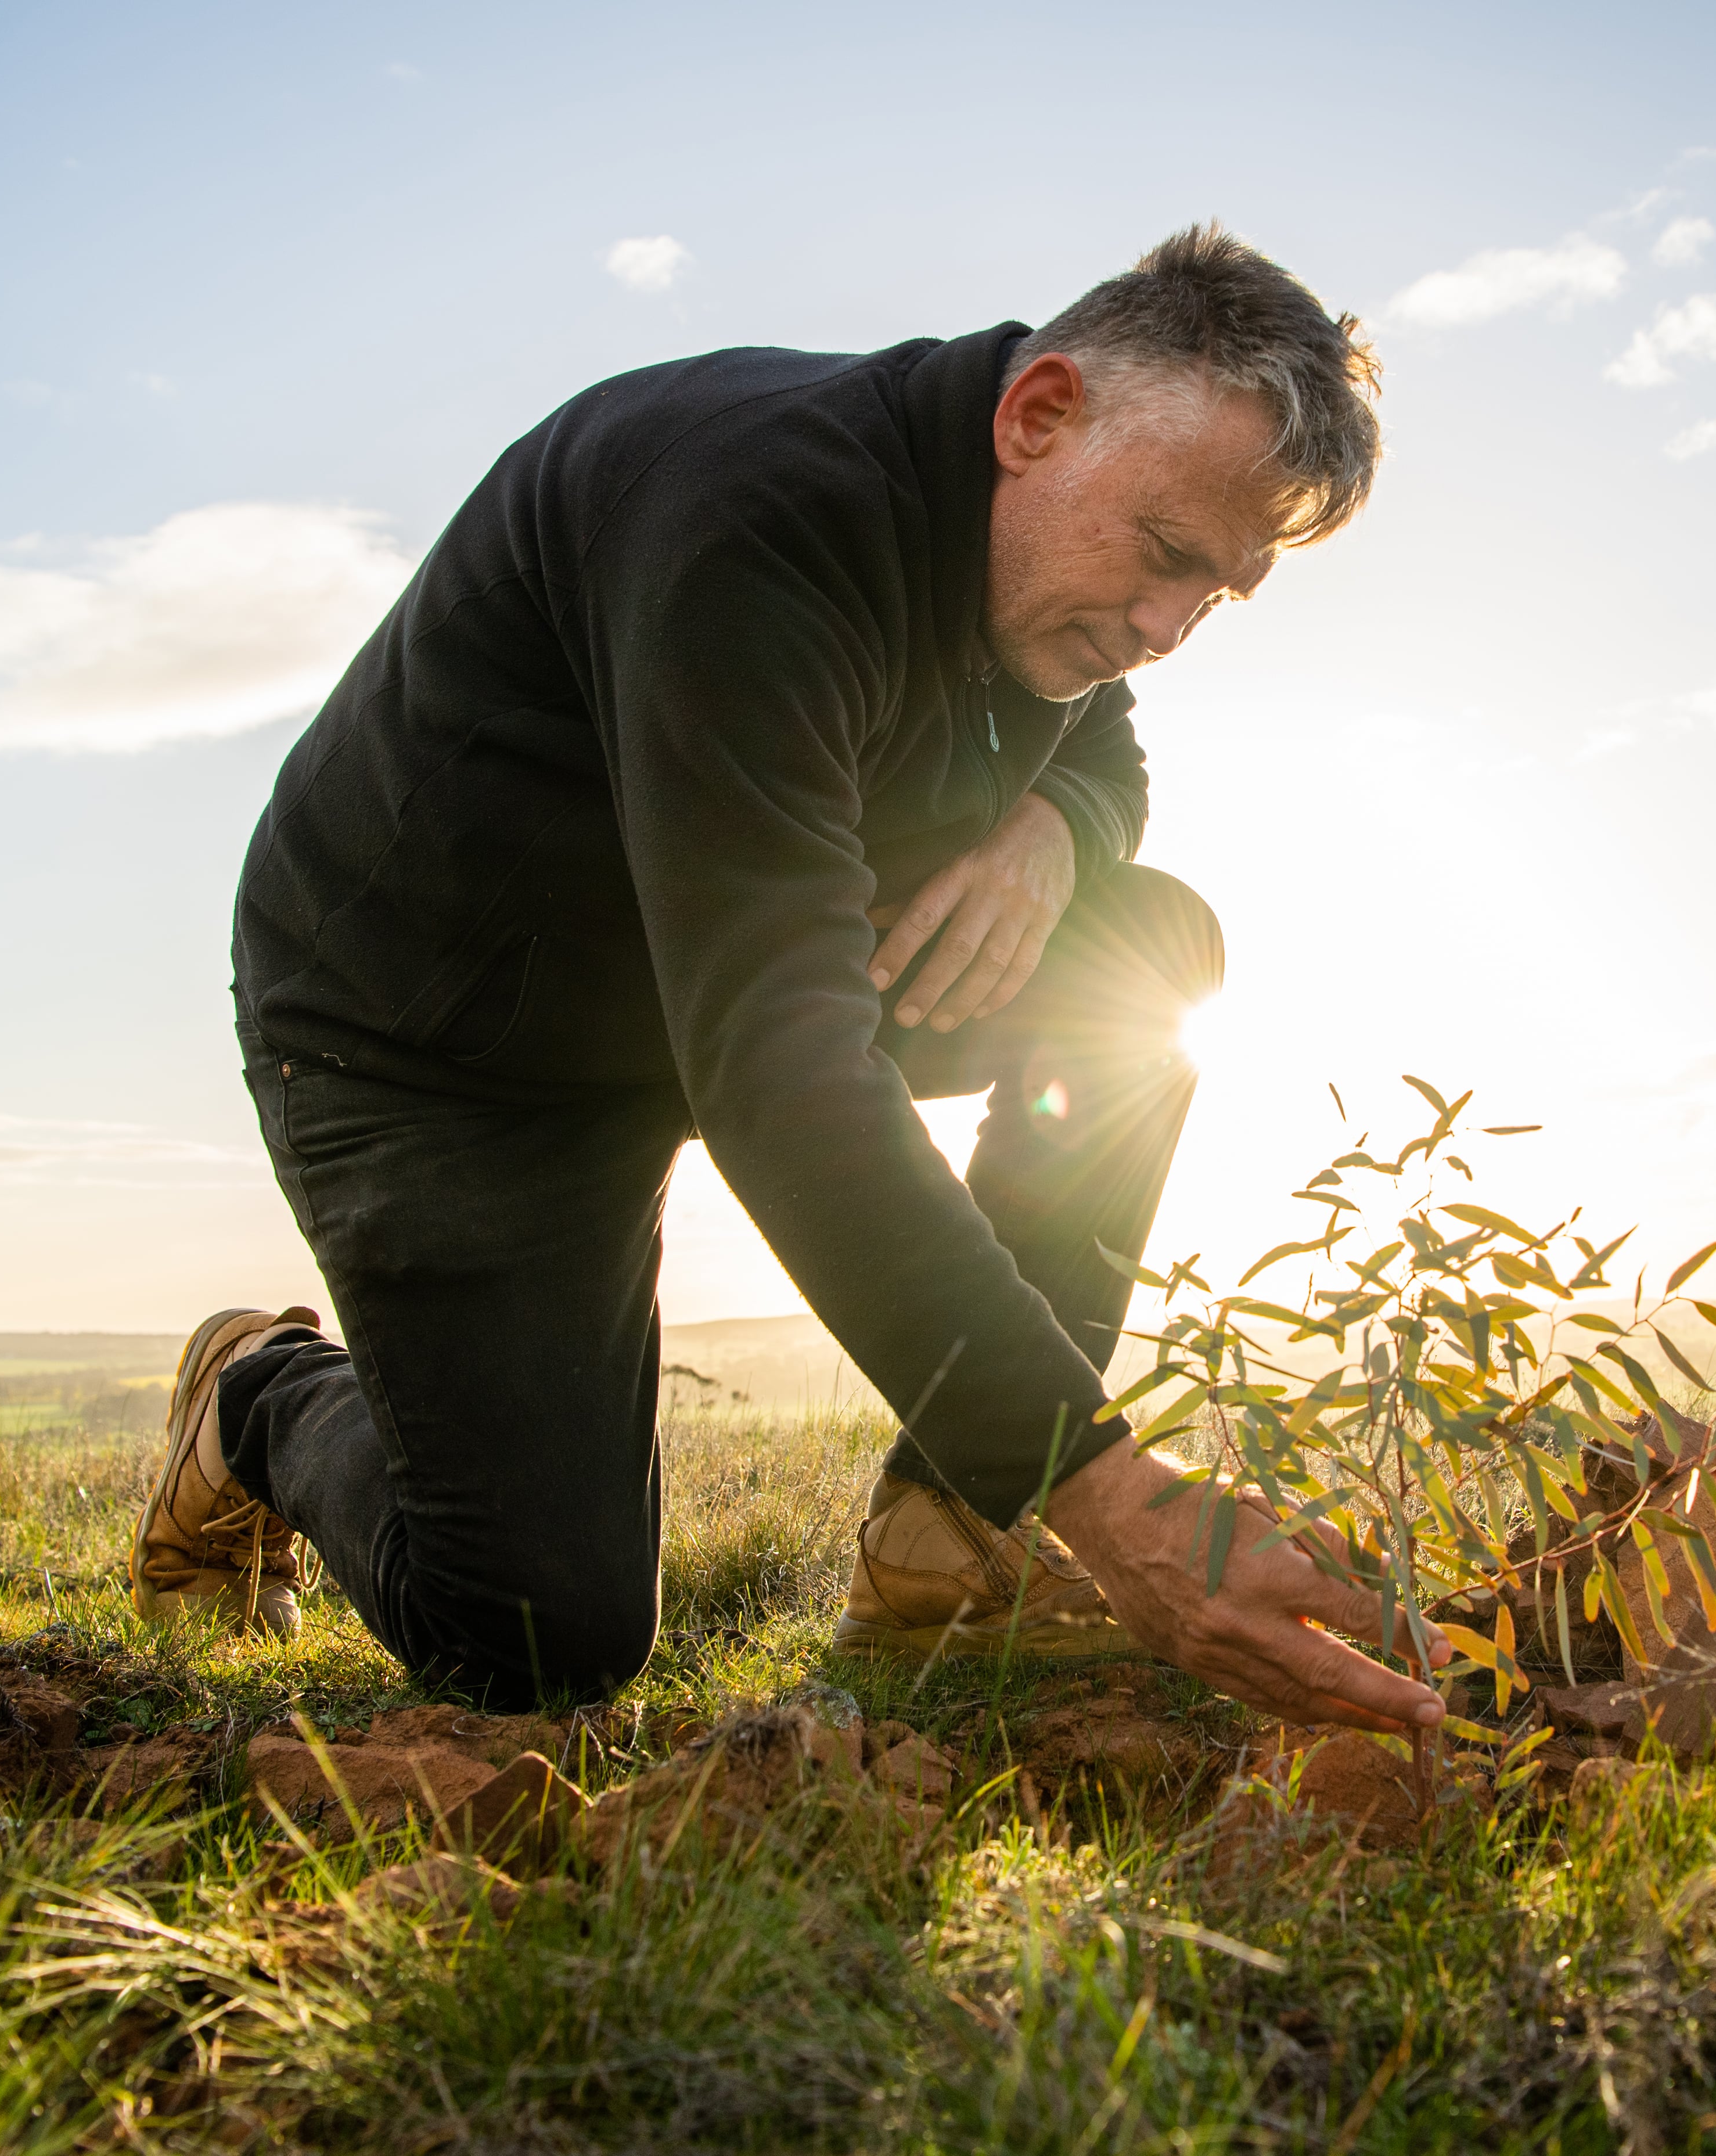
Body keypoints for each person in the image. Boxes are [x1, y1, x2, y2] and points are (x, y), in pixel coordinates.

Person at [128, 225, 1442, 1737]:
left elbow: (1104, 740)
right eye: (1162, 557)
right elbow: (780, 1068)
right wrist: (1110, 1495)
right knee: (540, 1640)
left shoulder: (1035, 562)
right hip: (440, 1036)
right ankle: (261, 1397)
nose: (1161, 631)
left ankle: (950, 1542)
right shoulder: (748, 517)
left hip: (705, 989)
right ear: (1041, 415)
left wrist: (1053, 832)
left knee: (1148, 946)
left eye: (1212, 596)